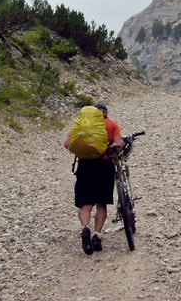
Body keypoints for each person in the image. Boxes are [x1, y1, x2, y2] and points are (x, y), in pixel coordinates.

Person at [64, 102, 123, 255]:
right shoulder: (111, 124)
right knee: (101, 203)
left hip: (85, 166)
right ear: (106, 113)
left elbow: (67, 144)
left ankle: (85, 228)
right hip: (104, 166)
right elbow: (119, 144)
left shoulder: (81, 125)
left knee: (85, 203)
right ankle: (96, 234)